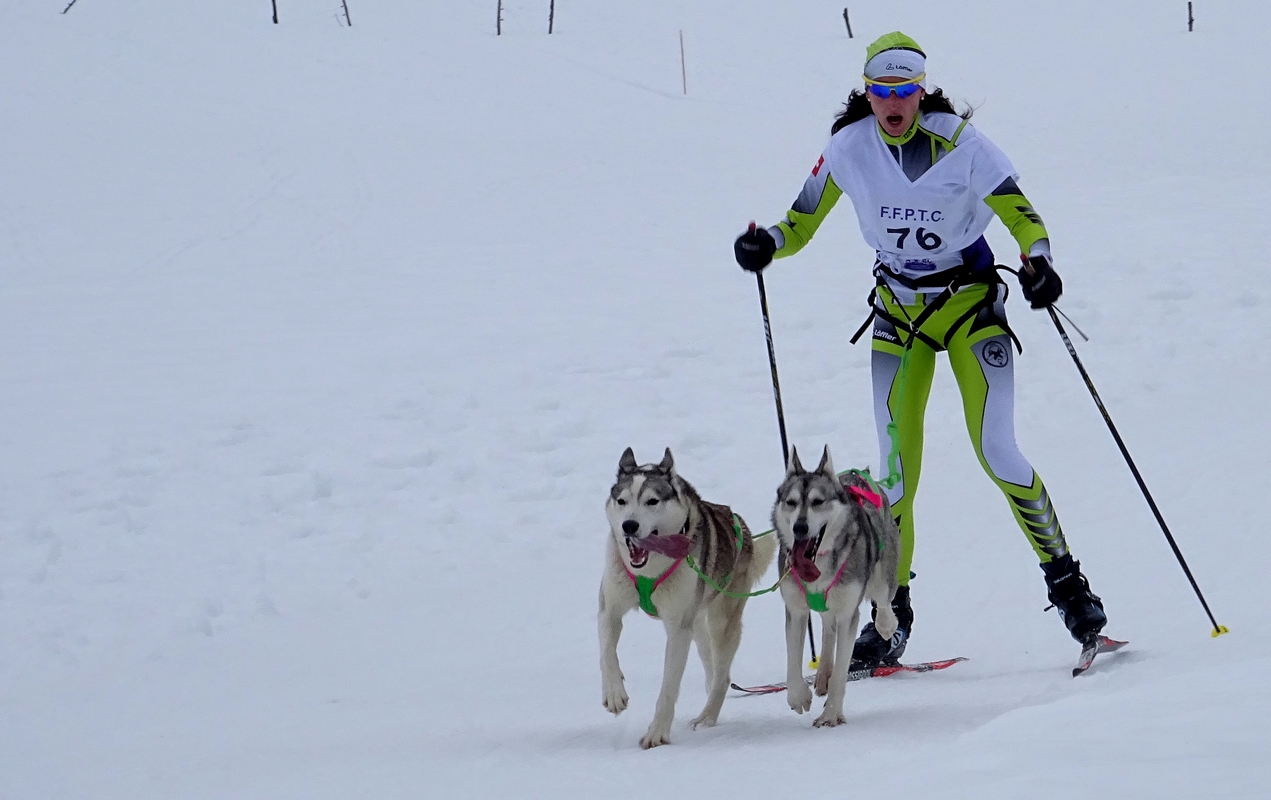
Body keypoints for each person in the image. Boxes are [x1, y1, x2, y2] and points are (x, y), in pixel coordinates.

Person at [734, 32, 1107, 667]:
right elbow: (797, 223)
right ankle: (890, 616)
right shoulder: (848, 147)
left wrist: (1040, 263)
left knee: (998, 451)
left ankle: (1071, 589)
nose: (893, 103)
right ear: (867, 94)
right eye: (881, 91)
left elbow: (1022, 216)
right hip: (898, 319)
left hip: (969, 310)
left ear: (921, 90)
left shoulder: (960, 143)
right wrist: (766, 242)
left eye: (904, 90)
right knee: (895, 478)